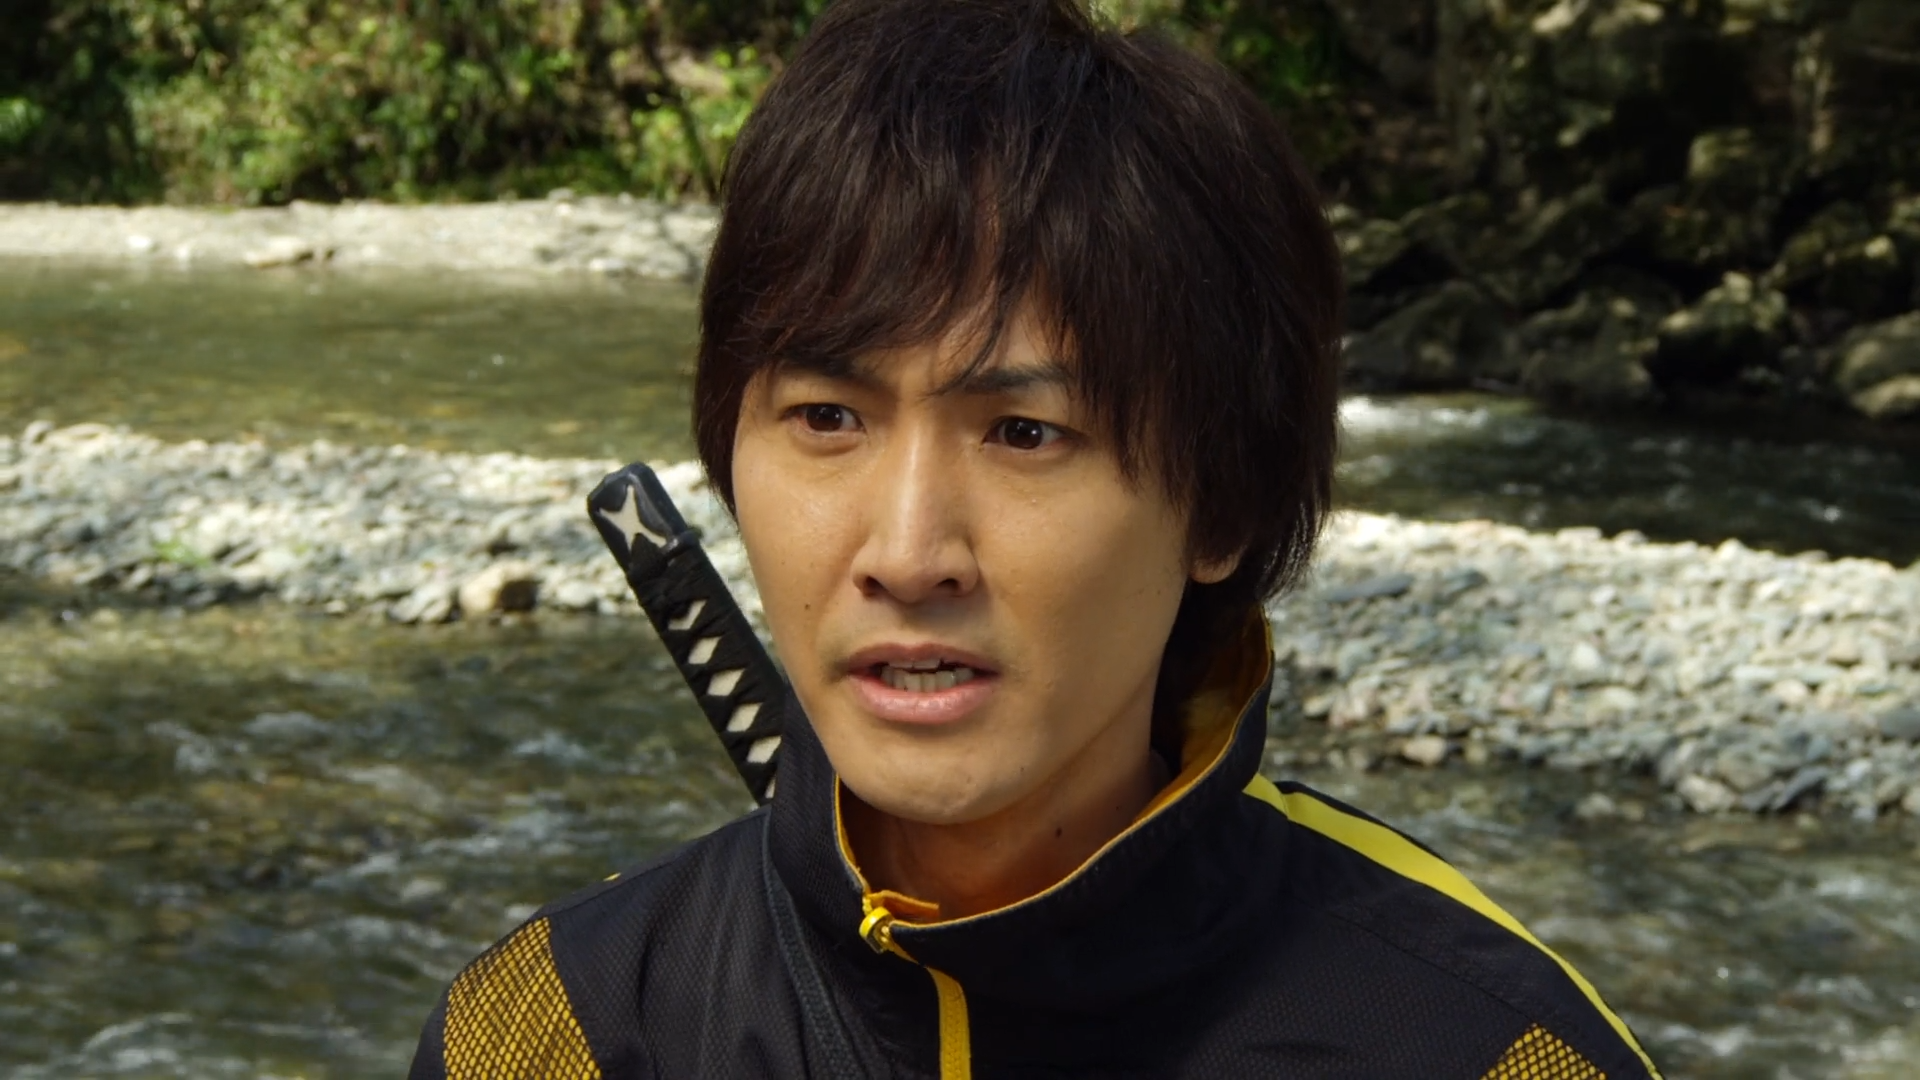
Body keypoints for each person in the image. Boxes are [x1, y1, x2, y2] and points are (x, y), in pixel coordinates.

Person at [409, 0, 1662, 1076]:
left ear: (1221, 504)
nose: (908, 553)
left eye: (1025, 433)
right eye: (828, 417)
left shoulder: (1479, 1045)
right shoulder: (563, 1030)